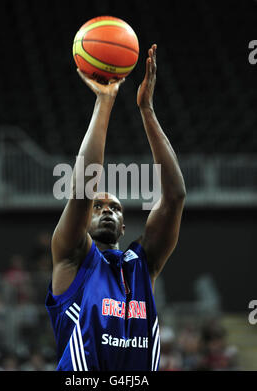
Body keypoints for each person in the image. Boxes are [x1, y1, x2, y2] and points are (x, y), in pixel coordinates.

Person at [46, 44, 186, 371]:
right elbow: (83, 188)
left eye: (115, 208)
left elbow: (175, 195)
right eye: (98, 206)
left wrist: (147, 111)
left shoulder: (141, 266)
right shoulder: (71, 256)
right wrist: (105, 100)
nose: (107, 210)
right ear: (83, 220)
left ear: (124, 227)